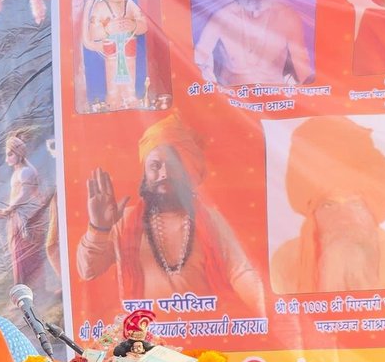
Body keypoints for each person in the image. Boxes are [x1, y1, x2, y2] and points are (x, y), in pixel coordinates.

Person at [78, 115, 265, 315]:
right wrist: (99, 228)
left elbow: (240, 272)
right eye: (155, 166)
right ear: (144, 172)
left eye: (173, 165)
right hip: (145, 331)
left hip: (203, 328)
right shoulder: (123, 221)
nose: (164, 173)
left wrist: (268, 312)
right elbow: (88, 270)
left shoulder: (212, 219)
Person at [272, 116, 385, 295]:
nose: (344, 218)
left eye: (355, 204)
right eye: (329, 205)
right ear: (313, 213)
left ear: (372, 209)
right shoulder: (287, 260)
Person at [194, 0, 314, 88]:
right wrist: (210, 85)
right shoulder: (223, 17)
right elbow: (200, 57)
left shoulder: (286, 16)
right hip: (233, 95)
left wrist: (310, 90)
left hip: (275, 93)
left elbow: (301, 61)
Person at [0, 131, 56, 300]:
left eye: (10, 154)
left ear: (18, 154)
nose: (7, 159)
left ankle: (36, 290)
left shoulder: (25, 172)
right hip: (18, 218)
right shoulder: (19, 172)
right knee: (18, 255)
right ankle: (23, 291)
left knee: (28, 255)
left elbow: (24, 195)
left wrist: (8, 209)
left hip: (26, 218)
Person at [81, 0, 151, 111]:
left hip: (128, 48)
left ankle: (130, 98)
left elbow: (144, 25)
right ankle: (113, 99)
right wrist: (107, 30)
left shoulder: (129, 3)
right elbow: (92, 34)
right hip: (111, 50)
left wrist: (133, 25)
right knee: (112, 78)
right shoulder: (100, 7)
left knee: (130, 78)